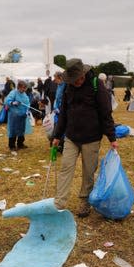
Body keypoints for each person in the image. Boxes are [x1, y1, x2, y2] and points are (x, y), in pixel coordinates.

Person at [52, 58, 117, 217]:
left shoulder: (96, 85)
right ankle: (59, 202)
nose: (77, 82)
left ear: (84, 74)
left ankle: (84, 202)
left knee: (88, 172)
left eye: (79, 78)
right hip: (72, 137)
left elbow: (105, 113)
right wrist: (57, 135)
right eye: (74, 80)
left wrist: (112, 137)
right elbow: (63, 114)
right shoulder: (68, 87)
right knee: (65, 167)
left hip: (92, 138)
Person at [4, 80, 31, 151]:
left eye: (25, 88)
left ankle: (20, 144)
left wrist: (27, 110)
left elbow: (27, 103)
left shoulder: (25, 94)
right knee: (13, 130)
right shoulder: (13, 93)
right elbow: (7, 101)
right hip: (14, 115)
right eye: (23, 88)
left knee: (21, 129)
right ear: (19, 87)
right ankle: (12, 145)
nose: (24, 90)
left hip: (22, 115)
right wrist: (13, 103)